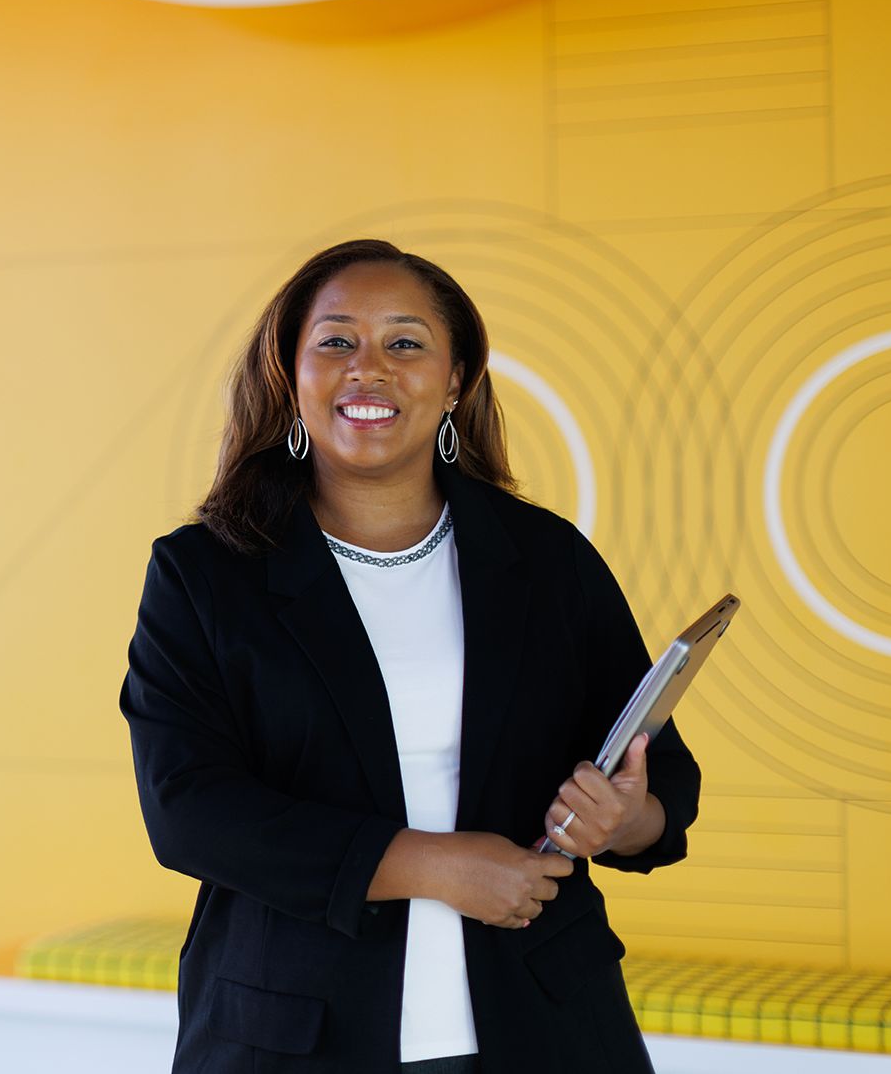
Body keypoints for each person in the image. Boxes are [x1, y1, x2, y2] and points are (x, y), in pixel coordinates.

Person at [119, 239, 701, 1074]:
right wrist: (430, 865)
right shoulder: (206, 574)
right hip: (292, 1036)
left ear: (456, 379)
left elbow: (659, 775)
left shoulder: (547, 559)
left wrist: (625, 818)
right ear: (289, 375)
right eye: (336, 341)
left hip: (546, 1026)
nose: (369, 368)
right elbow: (189, 810)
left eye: (405, 342)